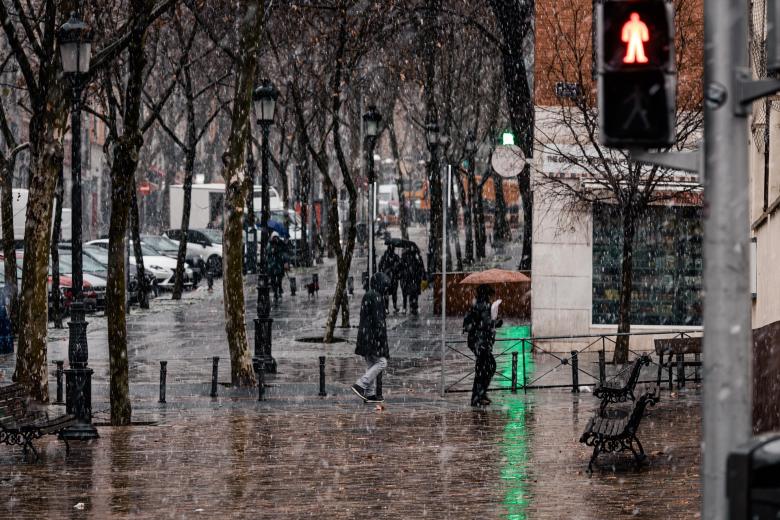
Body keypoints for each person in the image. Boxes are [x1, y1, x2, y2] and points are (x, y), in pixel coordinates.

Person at [351, 272, 390, 404]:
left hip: (365, 336)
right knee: (382, 362)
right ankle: (361, 384)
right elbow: (378, 321)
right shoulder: (376, 297)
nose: (386, 288)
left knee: (371, 364)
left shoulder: (369, 294)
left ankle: (370, 394)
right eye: (385, 285)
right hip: (373, 337)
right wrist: (380, 339)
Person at [463, 284, 502, 407]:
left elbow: (475, 322)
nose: (491, 297)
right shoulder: (485, 306)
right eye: (490, 294)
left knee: (483, 368)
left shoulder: (477, 304)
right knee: (488, 367)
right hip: (481, 342)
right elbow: (485, 323)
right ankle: (478, 396)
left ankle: (479, 395)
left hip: (476, 342)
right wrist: (496, 321)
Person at [400, 244, 425, 315]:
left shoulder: (408, 257)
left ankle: (412, 307)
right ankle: (413, 307)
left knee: (412, 294)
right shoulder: (414, 257)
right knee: (413, 294)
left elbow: (421, 267)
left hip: (412, 279)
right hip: (412, 279)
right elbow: (421, 267)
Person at [378, 244, 401, 313]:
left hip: (389, 278)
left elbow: (380, 266)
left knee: (388, 293)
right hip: (391, 278)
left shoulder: (385, 257)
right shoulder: (392, 257)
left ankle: (387, 308)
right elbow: (381, 266)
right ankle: (392, 307)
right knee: (392, 293)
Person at [267, 232, 287, 300]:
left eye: (276, 237)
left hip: (279, 265)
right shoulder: (269, 244)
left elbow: (284, 253)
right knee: (273, 281)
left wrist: (285, 262)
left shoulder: (281, 244)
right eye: (274, 237)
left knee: (279, 280)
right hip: (272, 266)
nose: (275, 239)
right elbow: (267, 253)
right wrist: (271, 251)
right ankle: (275, 292)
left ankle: (279, 290)